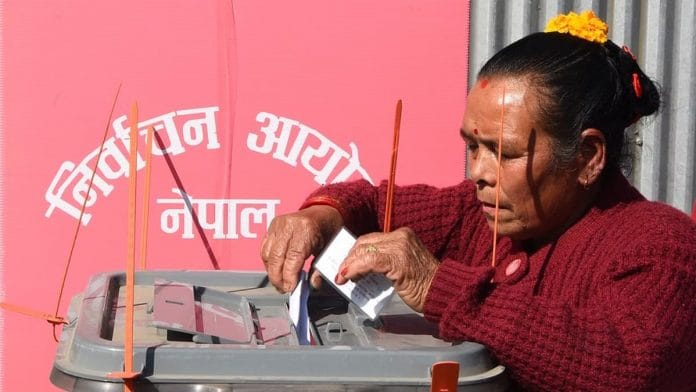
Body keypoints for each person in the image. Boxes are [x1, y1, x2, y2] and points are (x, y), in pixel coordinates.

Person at [260, 10, 696, 391]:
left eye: (504, 153)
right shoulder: (474, 215)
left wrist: (439, 287)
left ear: (587, 157)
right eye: (473, 146)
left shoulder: (660, 245)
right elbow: (371, 204)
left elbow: (630, 370)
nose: (478, 173)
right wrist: (320, 215)